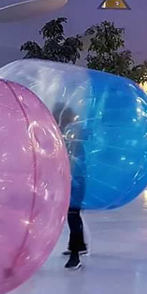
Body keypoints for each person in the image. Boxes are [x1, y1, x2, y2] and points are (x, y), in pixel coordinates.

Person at [53, 104, 87, 270]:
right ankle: (79, 246)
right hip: (71, 182)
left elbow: (77, 164)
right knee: (73, 215)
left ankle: (75, 255)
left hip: (75, 183)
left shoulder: (72, 139)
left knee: (73, 216)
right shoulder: (65, 138)